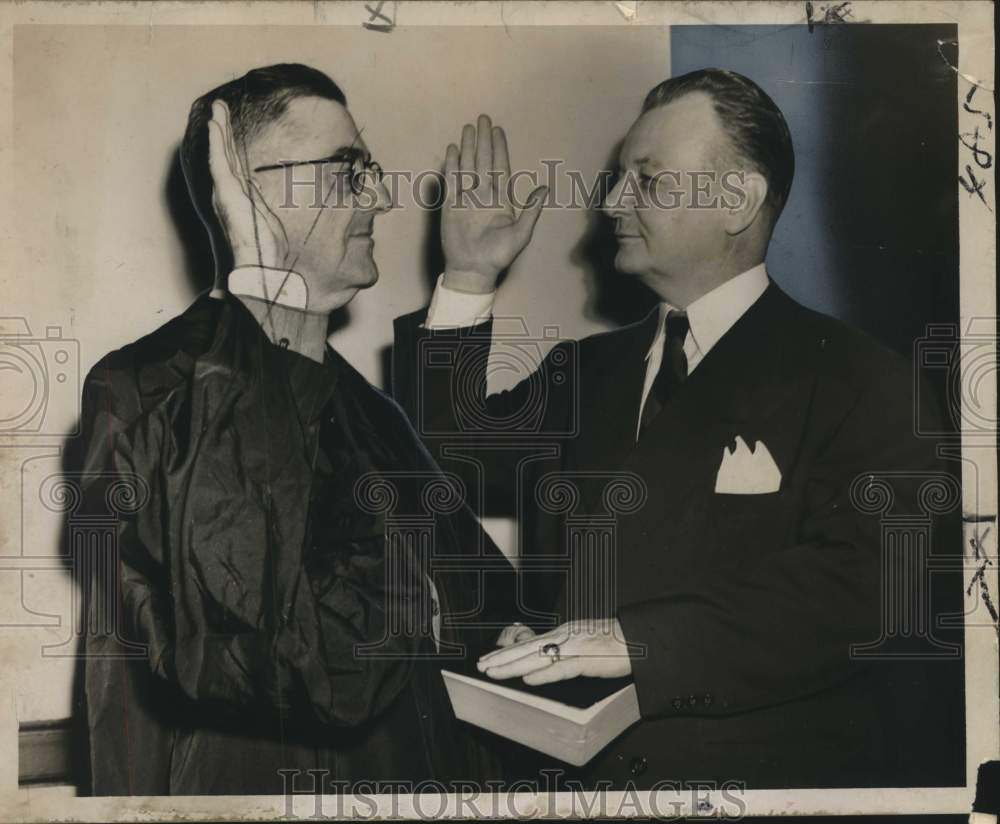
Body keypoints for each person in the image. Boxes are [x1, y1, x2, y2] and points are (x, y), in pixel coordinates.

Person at [392, 69, 962, 788]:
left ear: (736, 201)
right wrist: (468, 275)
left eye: (647, 179)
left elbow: (869, 587)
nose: (611, 202)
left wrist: (638, 642)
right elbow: (432, 459)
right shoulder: (582, 371)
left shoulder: (862, 380)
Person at [68, 63, 516, 796]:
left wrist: (467, 276)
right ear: (246, 193)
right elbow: (293, 658)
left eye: (367, 167)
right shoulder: (141, 394)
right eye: (346, 171)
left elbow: (483, 594)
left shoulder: (371, 411)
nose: (377, 193)